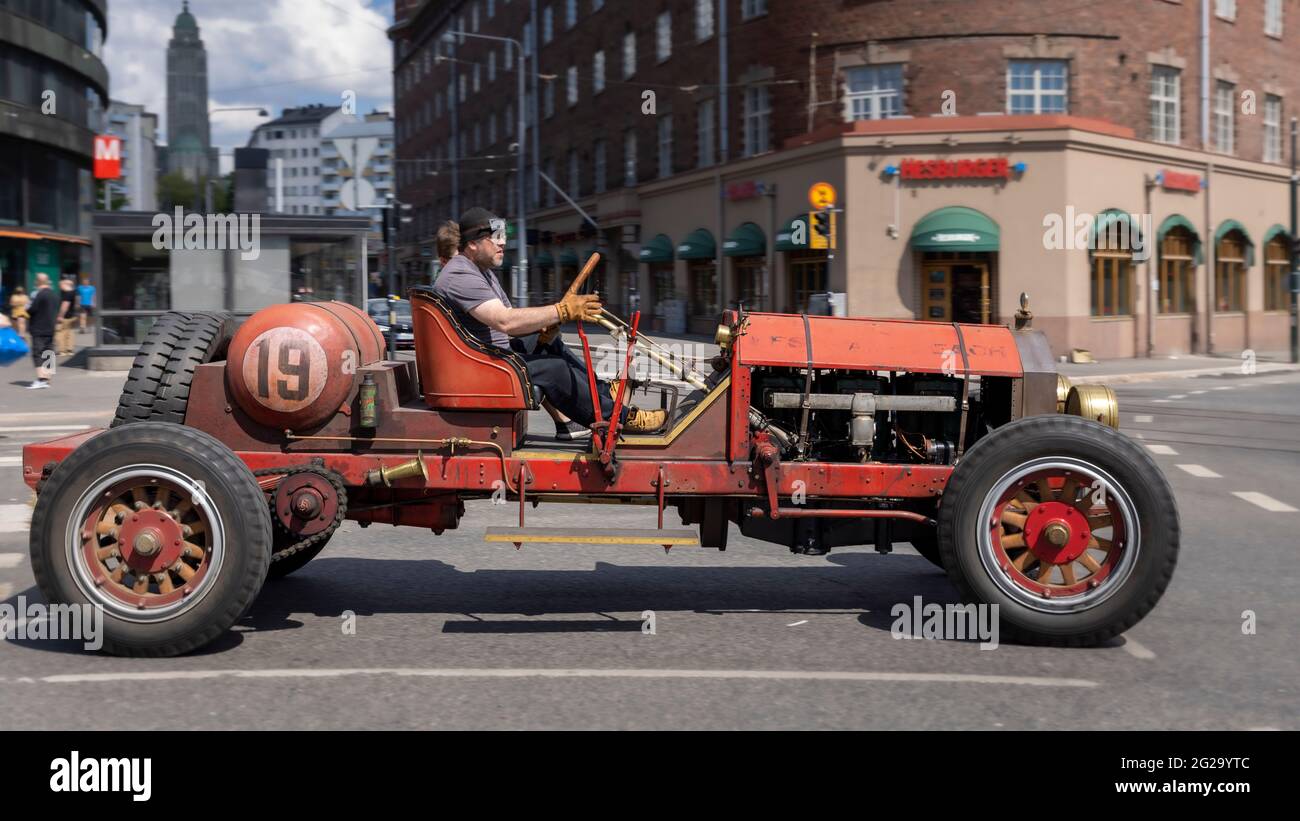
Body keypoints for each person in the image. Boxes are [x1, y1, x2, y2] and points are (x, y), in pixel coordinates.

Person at [431, 207, 666, 437]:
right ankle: (621, 419)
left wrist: (543, 325)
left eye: (503, 236)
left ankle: (604, 394)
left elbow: (511, 317)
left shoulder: (480, 271)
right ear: (472, 243)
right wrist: (561, 310)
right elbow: (505, 322)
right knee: (554, 369)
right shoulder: (460, 275)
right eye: (495, 238)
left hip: (485, 360)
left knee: (548, 341)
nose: (503, 243)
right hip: (480, 370)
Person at [26, 273, 60, 389]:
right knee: (49, 352)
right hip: (51, 327)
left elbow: (31, 309)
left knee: (38, 353)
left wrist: (27, 307)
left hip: (38, 328)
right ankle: (47, 379)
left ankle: (41, 379)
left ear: (37, 282)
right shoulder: (54, 295)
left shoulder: (38, 295)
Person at [55, 277, 77, 355]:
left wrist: (60, 316)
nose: (60, 287)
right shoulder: (73, 292)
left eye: (60, 285)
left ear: (65, 284)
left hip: (65, 317)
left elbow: (65, 306)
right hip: (72, 315)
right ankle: (69, 350)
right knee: (69, 333)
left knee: (60, 333)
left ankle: (62, 351)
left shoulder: (67, 294)